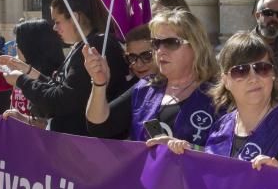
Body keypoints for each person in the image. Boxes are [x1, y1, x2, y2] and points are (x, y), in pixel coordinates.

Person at [158, 32, 278, 175]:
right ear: (226, 81)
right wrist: (182, 153)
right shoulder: (220, 127)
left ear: (272, 73)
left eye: (262, 68)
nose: (253, 78)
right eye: (240, 71)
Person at [0, 0, 129, 135]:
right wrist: (28, 71)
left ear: (75, 17)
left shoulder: (95, 47)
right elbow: (61, 87)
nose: (54, 28)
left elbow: (61, 101)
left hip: (85, 147)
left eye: (57, 21)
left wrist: (21, 80)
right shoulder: (81, 46)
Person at [85, 9, 219, 145]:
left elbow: (228, 155)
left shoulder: (218, 95)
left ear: (196, 46)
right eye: (156, 43)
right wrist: (99, 83)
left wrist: (188, 149)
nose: (160, 51)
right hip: (147, 167)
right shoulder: (145, 88)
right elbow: (99, 127)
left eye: (171, 43)